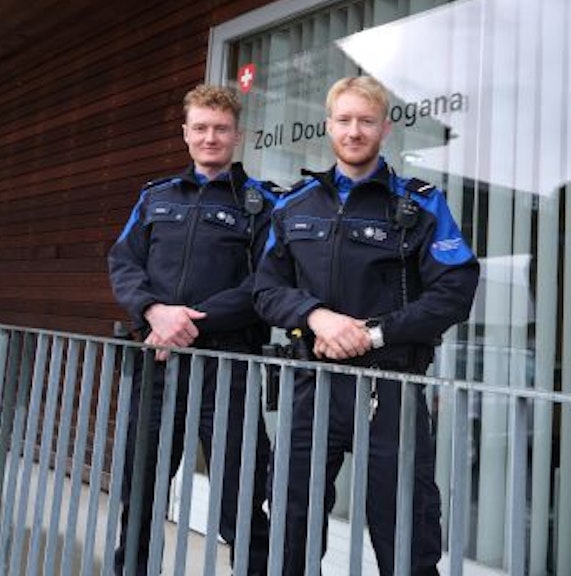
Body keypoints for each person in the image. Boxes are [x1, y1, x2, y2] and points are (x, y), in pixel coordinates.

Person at [253, 76, 479, 575]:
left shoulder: (420, 204)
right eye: (344, 120)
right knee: (290, 523)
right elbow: (266, 289)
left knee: (406, 532)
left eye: (366, 121)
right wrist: (317, 317)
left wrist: (373, 334)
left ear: (385, 128)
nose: (354, 131)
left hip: (390, 387)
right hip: (311, 385)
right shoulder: (293, 205)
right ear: (328, 125)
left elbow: (455, 290)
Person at [109, 84, 276, 575]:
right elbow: (124, 262)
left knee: (241, 500)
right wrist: (153, 311)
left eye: (221, 129)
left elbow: (265, 284)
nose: (210, 138)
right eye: (200, 128)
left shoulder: (263, 204)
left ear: (238, 135)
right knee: (141, 493)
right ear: (185, 133)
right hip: (158, 365)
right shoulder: (155, 197)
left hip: (228, 369)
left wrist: (184, 322)